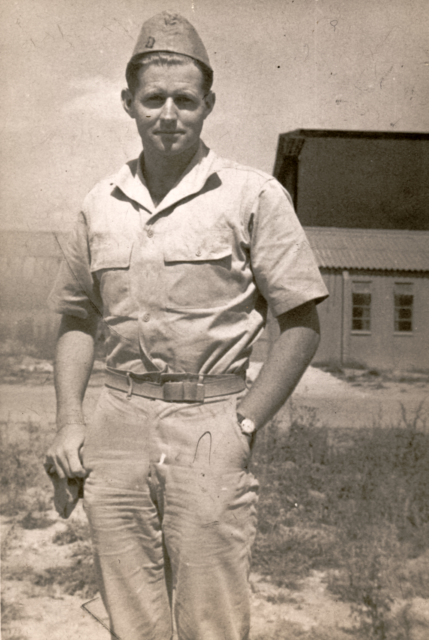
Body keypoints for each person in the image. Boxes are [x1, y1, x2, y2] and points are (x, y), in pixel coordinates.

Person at [44, 11, 328, 640]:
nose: (168, 114)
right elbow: (75, 317)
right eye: (153, 99)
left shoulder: (252, 196)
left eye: (185, 100)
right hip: (115, 423)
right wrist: (70, 420)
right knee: (131, 618)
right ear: (128, 103)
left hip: (211, 422)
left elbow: (302, 324)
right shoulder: (99, 204)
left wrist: (245, 422)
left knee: (210, 620)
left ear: (208, 106)